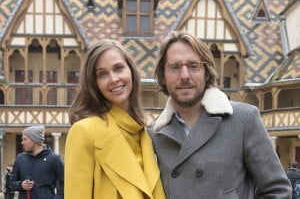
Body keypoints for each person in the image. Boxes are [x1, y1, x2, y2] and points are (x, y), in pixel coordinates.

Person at [148, 30, 292, 198]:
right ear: (163, 76)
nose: (185, 75)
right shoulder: (155, 135)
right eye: (175, 67)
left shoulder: (243, 119)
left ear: (206, 72)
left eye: (193, 66)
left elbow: (278, 191)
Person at [64, 39, 166, 199]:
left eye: (118, 68)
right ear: (94, 84)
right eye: (102, 74)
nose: (113, 79)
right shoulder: (85, 132)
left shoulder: (145, 133)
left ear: (131, 71)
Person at [10, 125, 64, 199]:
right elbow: (11, 183)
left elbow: (64, 184)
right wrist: (21, 185)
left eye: (25, 139)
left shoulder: (54, 159)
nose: (22, 142)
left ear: (34, 140)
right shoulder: (20, 158)